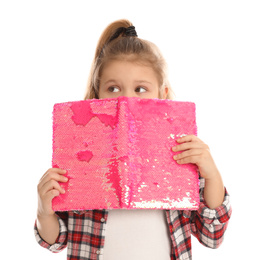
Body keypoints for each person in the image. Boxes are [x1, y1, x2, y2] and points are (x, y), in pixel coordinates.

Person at [35, 19, 232, 260]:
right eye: (113, 88)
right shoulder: (81, 154)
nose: (126, 99)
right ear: (98, 95)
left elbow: (212, 234)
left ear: (163, 95)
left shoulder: (181, 151)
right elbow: (57, 241)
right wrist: (44, 211)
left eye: (140, 89)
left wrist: (211, 173)